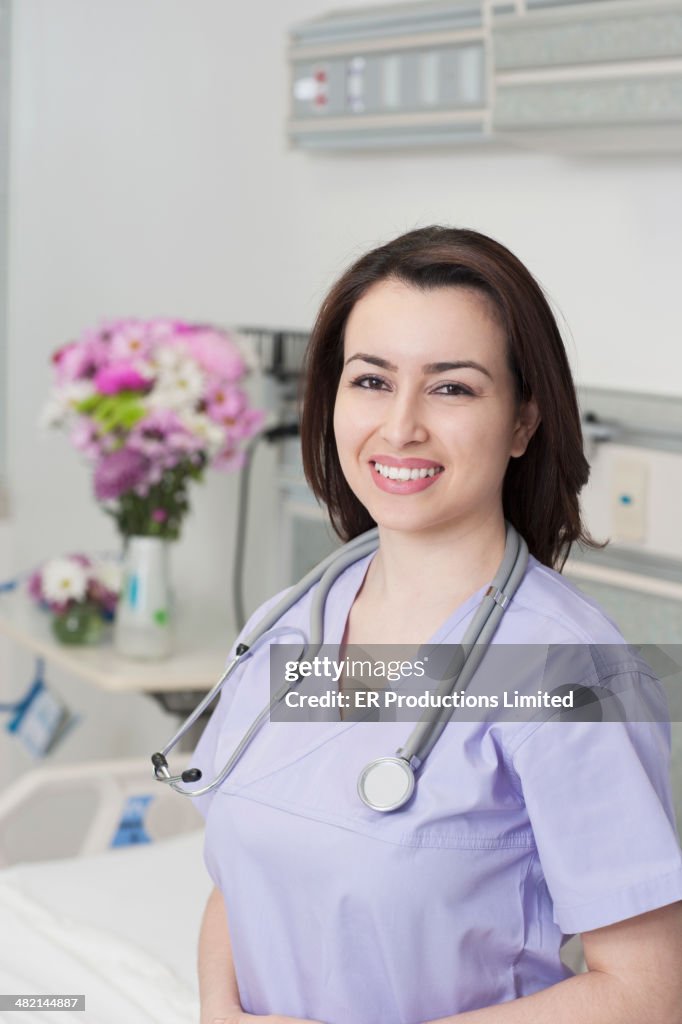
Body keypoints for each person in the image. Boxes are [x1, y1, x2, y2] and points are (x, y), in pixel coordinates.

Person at [193, 227, 682, 1024]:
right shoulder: (291, 626)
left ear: (523, 421)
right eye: (372, 381)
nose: (400, 427)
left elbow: (648, 996)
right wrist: (220, 1013)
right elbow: (240, 881)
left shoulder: (567, 671)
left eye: (452, 388)